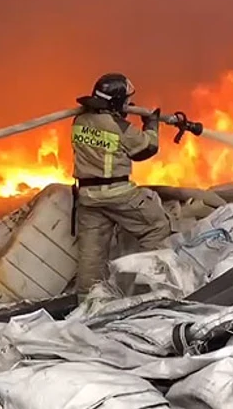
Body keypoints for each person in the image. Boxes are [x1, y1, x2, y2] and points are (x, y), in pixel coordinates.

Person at [71, 72, 172, 299]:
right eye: (125, 100)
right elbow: (146, 149)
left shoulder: (79, 121)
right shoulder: (120, 127)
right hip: (117, 194)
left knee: (91, 253)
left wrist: (122, 112)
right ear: (116, 101)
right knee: (156, 225)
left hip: (87, 196)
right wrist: (152, 125)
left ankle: (87, 302)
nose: (128, 104)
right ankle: (149, 289)